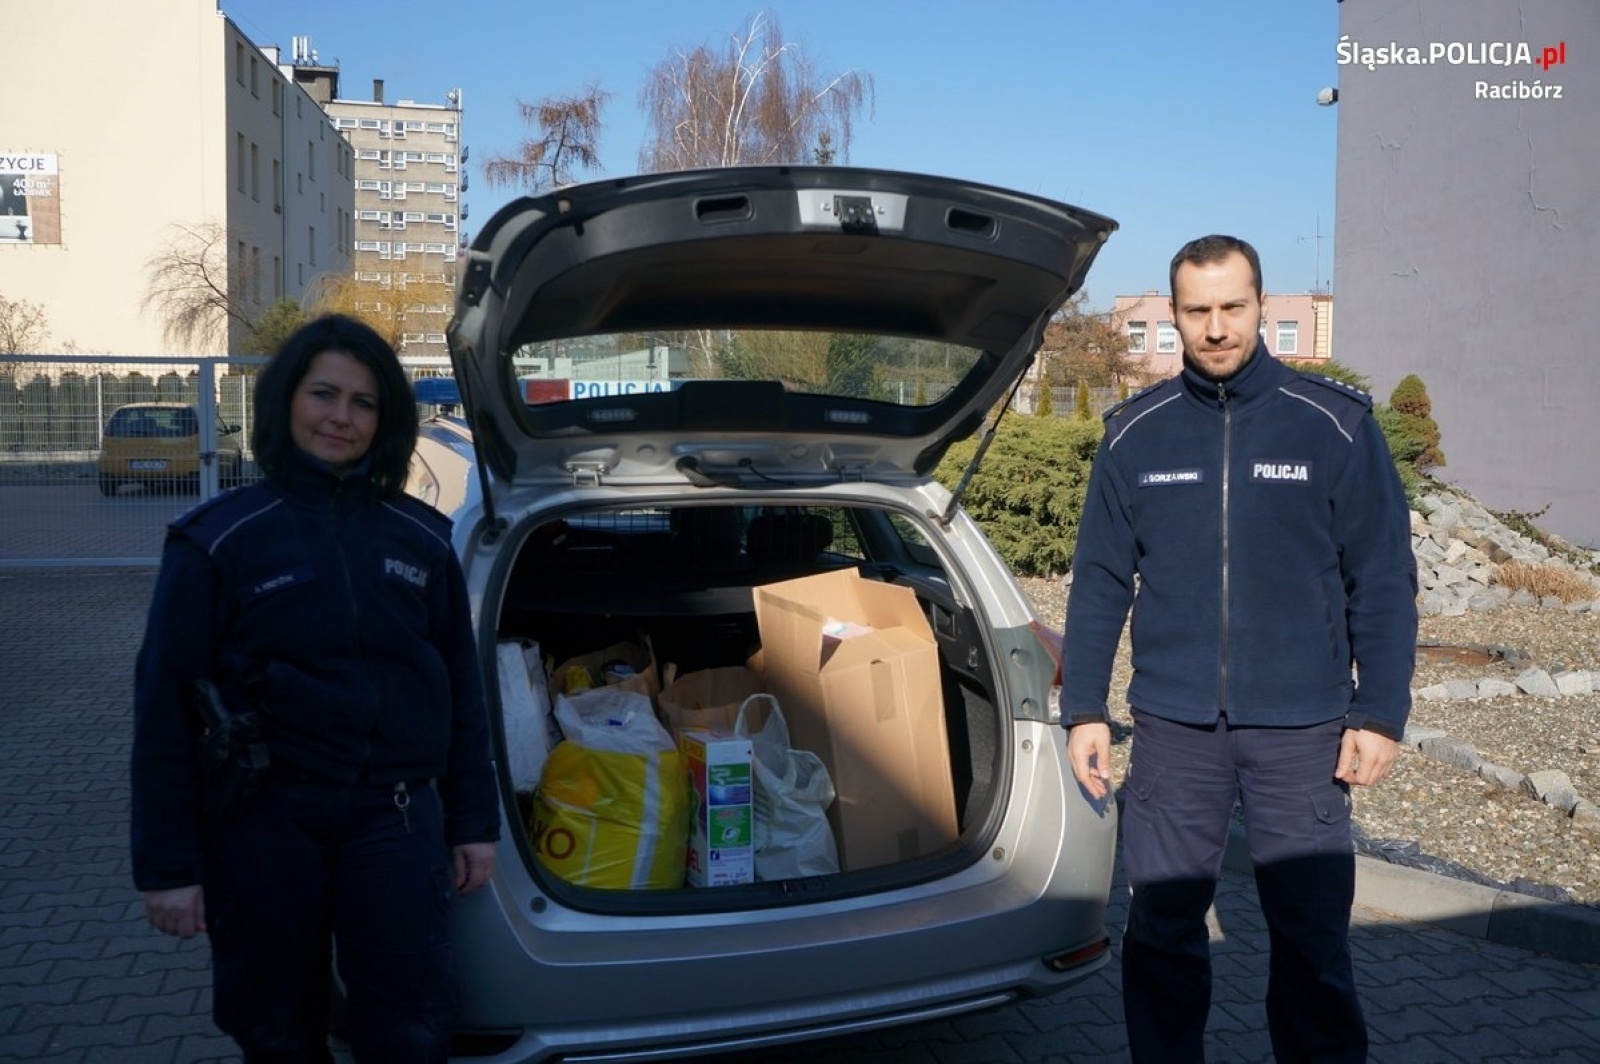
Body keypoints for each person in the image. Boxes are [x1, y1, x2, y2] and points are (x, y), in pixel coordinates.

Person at [1061, 235, 1418, 1063]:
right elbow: (1100, 582)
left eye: (1233, 307)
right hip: (1175, 729)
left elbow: (1384, 579)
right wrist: (1085, 708)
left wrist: (1380, 711)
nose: (1216, 327)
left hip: (1303, 730)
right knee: (1160, 932)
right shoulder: (1133, 437)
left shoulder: (1334, 425)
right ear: (1174, 316)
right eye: (1197, 311)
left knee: (1313, 941)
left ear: (1262, 306)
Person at [130, 314, 502, 1062]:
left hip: (394, 823)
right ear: (286, 401)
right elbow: (164, 712)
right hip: (266, 826)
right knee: (276, 1028)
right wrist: (168, 870)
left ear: (386, 419)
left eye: (363, 402)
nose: (341, 417)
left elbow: (461, 691)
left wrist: (472, 821)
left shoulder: (423, 539)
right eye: (323, 393)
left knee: (409, 1026)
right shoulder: (216, 541)